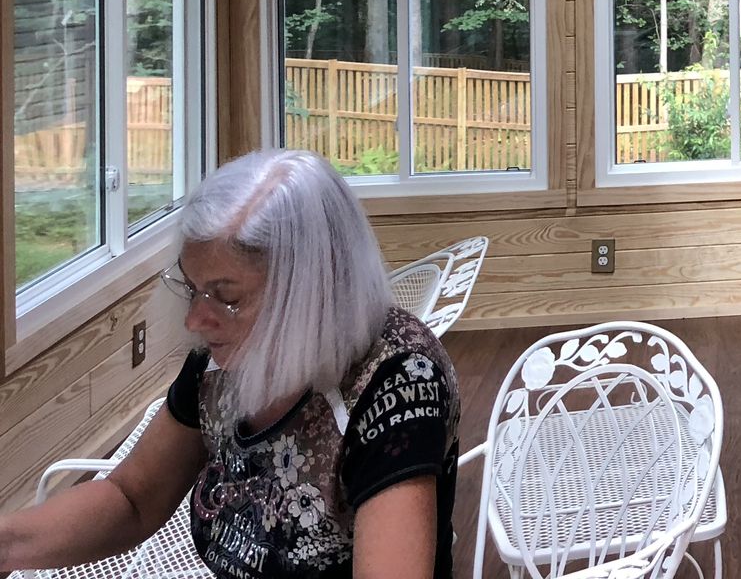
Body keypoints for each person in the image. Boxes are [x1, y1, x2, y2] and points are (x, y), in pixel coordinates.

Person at [0, 149, 461, 579]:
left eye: (227, 297)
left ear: (315, 292)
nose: (196, 319)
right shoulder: (222, 360)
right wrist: (7, 545)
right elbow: (133, 497)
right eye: (193, 287)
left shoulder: (398, 384)